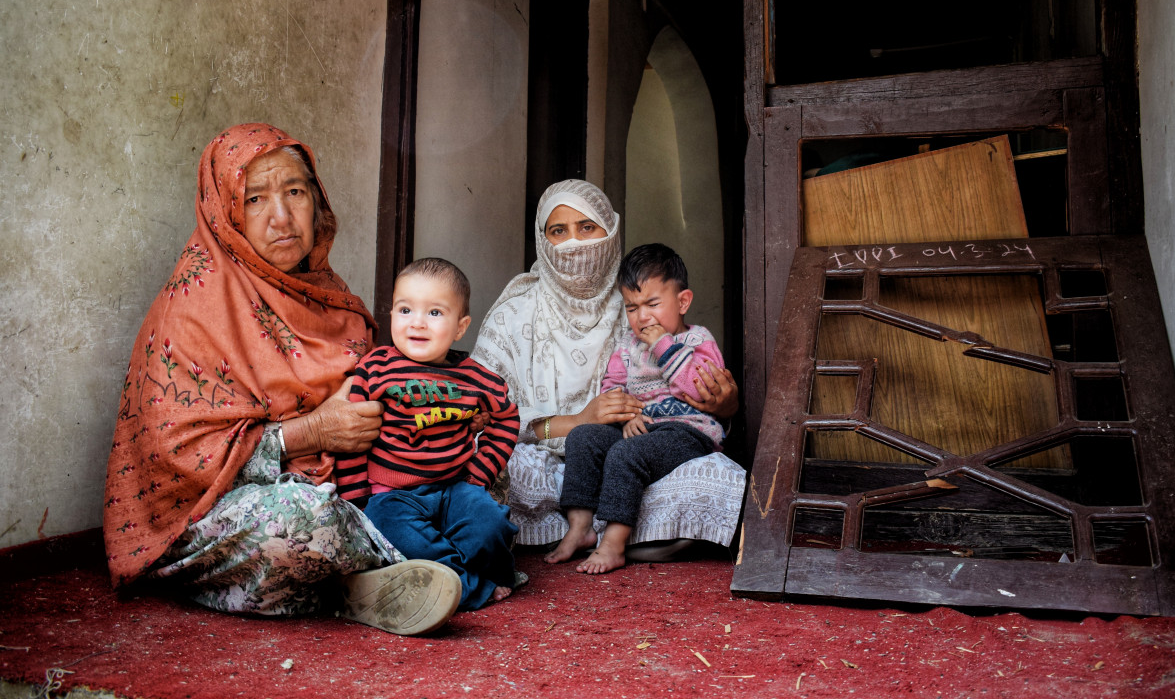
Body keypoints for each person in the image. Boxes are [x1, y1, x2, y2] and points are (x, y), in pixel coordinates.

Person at [103, 123, 462, 637]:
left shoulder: (327, 295)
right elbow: (176, 460)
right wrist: (312, 432)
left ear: (317, 201)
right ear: (226, 211)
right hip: (226, 512)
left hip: (346, 488)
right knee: (301, 521)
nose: (282, 217)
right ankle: (410, 566)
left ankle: (361, 576)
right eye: (255, 199)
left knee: (458, 466)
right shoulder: (192, 309)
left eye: (295, 192)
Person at [472, 179, 746, 556]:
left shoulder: (634, 306)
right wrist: (576, 421)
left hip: (634, 450)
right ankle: (608, 530)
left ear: (611, 232)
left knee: (713, 473)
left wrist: (725, 404)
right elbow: (479, 412)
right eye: (558, 231)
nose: (574, 242)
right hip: (544, 460)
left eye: (587, 227)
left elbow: (698, 401)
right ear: (541, 239)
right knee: (486, 457)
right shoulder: (512, 316)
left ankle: (602, 531)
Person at [334, 258, 522, 610]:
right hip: (391, 495)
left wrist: (478, 475)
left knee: (491, 524)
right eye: (405, 310)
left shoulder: (478, 378)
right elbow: (351, 436)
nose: (417, 322)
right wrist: (356, 498)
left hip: (455, 488)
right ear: (392, 315)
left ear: (461, 327)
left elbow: (507, 419)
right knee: (400, 536)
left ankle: (471, 579)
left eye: (435, 313)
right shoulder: (375, 369)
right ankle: (468, 585)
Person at [546, 243, 728, 573]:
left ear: (683, 302)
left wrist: (662, 346)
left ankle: (613, 544)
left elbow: (698, 389)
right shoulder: (628, 346)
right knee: (582, 438)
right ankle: (581, 527)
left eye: (652, 304)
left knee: (626, 454)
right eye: (632, 307)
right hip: (642, 426)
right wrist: (628, 416)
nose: (642, 317)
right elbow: (613, 388)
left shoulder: (699, 340)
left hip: (688, 431)